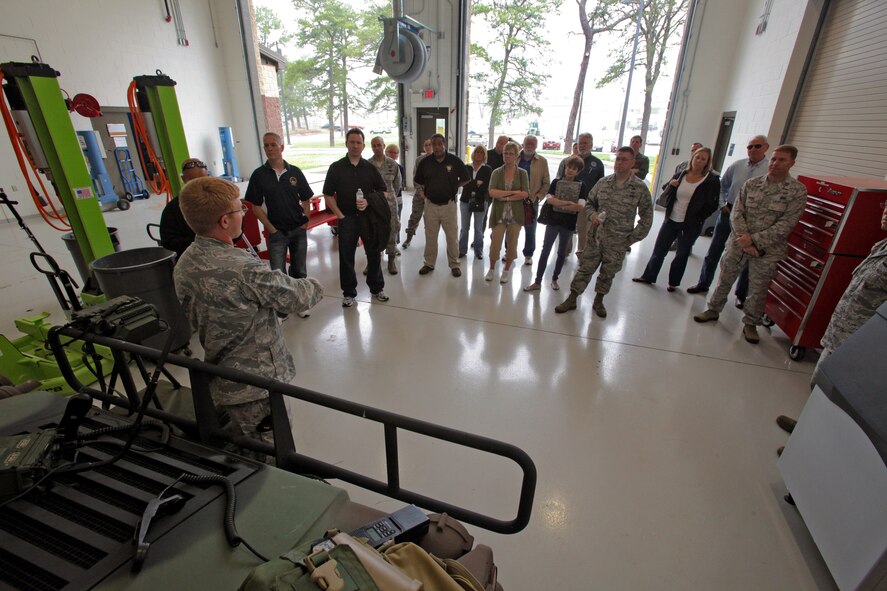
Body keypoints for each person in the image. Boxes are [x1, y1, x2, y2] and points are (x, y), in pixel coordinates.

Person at [173, 177, 323, 463]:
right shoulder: (243, 270)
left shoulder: (186, 263)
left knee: (246, 450)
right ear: (224, 221)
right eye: (238, 210)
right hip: (258, 387)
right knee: (272, 459)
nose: (243, 213)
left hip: (224, 377)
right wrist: (315, 284)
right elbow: (298, 297)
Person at [776, 199, 887, 435]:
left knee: (839, 399)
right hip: (841, 332)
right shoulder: (881, 245)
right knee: (820, 385)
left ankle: (815, 443)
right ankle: (806, 428)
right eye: (886, 205)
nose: (885, 211)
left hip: (862, 343)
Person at [693, 145, 807, 344]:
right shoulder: (752, 184)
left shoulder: (797, 191)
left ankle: (751, 323)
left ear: (792, 163)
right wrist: (744, 239)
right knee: (725, 277)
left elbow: (787, 223)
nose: (775, 164)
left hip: (767, 250)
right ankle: (713, 310)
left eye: (782, 160)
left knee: (758, 287)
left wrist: (754, 241)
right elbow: (737, 213)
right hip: (739, 243)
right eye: (773, 159)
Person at [555, 147, 653, 317]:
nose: (619, 163)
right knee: (584, 268)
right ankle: (572, 298)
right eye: (617, 159)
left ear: (632, 163)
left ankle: (599, 300)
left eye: (624, 159)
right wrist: (592, 216)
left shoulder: (639, 188)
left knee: (608, 273)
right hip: (596, 237)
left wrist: (631, 239)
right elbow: (590, 203)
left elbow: (647, 217)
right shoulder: (604, 183)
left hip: (618, 241)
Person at [687, 135, 770, 307]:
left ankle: (741, 294)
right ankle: (703, 283)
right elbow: (722, 186)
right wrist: (722, 204)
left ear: (765, 147)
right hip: (729, 213)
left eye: (757, 146)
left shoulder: (770, 169)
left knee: (747, 256)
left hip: (753, 219)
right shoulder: (737, 165)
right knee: (714, 250)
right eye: (750, 146)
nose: (753, 149)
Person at [244, 132, 316, 318]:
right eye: (266, 145)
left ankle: (299, 304)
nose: (269, 149)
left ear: (282, 147)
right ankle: (282, 311)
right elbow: (255, 206)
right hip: (277, 233)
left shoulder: (295, 172)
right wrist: (271, 228)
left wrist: (305, 222)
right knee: (278, 274)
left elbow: (307, 199)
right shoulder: (259, 175)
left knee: (299, 271)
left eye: (273, 145)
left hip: (298, 230)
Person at [633, 147, 720, 290]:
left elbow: (712, 205)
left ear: (707, 162)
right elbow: (665, 188)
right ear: (692, 158)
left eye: (703, 159)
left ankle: (673, 283)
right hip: (672, 218)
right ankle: (648, 276)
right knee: (659, 249)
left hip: (691, 224)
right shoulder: (682, 174)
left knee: (681, 254)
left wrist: (698, 217)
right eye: (697, 157)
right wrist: (671, 185)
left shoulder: (711, 181)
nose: (699, 161)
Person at [323, 128, 390, 307]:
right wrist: (340, 216)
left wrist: (368, 201)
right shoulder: (336, 168)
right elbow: (328, 195)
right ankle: (349, 293)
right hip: (347, 219)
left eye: (358, 143)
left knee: (374, 253)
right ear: (346, 144)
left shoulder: (370, 168)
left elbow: (383, 191)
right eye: (351, 142)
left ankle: (376, 289)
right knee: (346, 256)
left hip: (369, 219)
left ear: (363, 145)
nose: (355, 145)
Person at [523, 155, 588, 292]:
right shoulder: (556, 182)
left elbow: (580, 206)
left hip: (568, 224)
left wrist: (560, 203)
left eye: (574, 169)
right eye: (569, 167)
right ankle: (537, 281)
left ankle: (554, 279)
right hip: (553, 222)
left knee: (561, 252)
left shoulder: (582, 186)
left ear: (578, 171)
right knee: (545, 250)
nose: (570, 170)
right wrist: (569, 203)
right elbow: (550, 200)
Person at [414, 133, 470, 277]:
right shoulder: (425, 163)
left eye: (440, 144)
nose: (437, 147)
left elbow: (466, 178)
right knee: (430, 236)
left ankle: (454, 264)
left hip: (449, 206)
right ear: (431, 146)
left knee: (452, 237)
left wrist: (454, 186)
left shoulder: (455, 161)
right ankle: (429, 263)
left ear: (444, 144)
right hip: (431, 205)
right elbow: (419, 180)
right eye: (434, 144)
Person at [485, 141, 529, 284]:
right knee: (495, 243)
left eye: (511, 154)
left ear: (516, 156)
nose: (508, 156)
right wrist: (513, 193)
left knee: (512, 243)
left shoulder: (522, 173)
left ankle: (506, 271)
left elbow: (525, 194)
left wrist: (505, 196)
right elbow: (492, 192)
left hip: (515, 215)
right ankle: (491, 269)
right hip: (499, 214)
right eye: (505, 153)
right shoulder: (496, 172)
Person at [159, 158, 210, 258]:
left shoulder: (219, 201)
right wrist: (201, 243)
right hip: (190, 258)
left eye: (203, 180)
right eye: (193, 181)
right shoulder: (173, 209)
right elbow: (168, 241)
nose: (199, 185)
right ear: (183, 179)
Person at [369, 136, 403, 275]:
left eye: (379, 145)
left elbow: (397, 184)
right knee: (373, 231)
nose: (377, 148)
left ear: (384, 146)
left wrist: (389, 195)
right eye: (374, 145)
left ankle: (391, 260)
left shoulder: (392, 164)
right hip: (373, 204)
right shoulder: (367, 165)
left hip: (390, 203)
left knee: (392, 229)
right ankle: (373, 262)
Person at [518, 135, 550, 266]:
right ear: (523, 144)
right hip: (514, 199)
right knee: (512, 226)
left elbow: (546, 182)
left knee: (530, 228)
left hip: (531, 201)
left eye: (532, 144)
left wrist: (539, 196)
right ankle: (509, 252)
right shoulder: (515, 158)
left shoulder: (542, 161)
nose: (530, 146)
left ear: (536, 146)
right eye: (527, 143)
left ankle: (528, 254)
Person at [574, 132, 606, 255]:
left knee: (584, 231)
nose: (582, 146)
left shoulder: (597, 164)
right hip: (570, 201)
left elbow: (601, 186)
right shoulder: (570, 161)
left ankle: (582, 253)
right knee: (567, 229)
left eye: (585, 143)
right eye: (580, 143)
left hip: (587, 204)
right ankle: (564, 253)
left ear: (591, 144)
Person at [459, 144, 492, 260]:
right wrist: (476, 183)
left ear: (484, 155)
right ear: (473, 154)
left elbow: (486, 187)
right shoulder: (466, 167)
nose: (478, 154)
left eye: (481, 153)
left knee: (478, 228)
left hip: (481, 201)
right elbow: (463, 184)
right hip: (465, 201)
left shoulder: (487, 169)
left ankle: (479, 251)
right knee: (464, 228)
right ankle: (462, 250)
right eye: (477, 152)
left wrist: (471, 183)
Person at [402, 138, 433, 249]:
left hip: (433, 195)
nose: (428, 147)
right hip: (420, 194)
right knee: (415, 216)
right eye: (426, 145)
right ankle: (408, 238)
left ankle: (430, 241)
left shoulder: (438, 160)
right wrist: (420, 191)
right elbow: (416, 177)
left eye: (430, 144)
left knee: (430, 219)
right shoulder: (419, 160)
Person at [385, 143, 406, 243]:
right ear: (386, 152)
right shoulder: (381, 166)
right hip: (383, 199)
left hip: (397, 198)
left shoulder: (400, 168)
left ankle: (395, 243)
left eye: (395, 153)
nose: (393, 155)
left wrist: (392, 195)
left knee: (396, 221)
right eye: (390, 152)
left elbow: (399, 184)